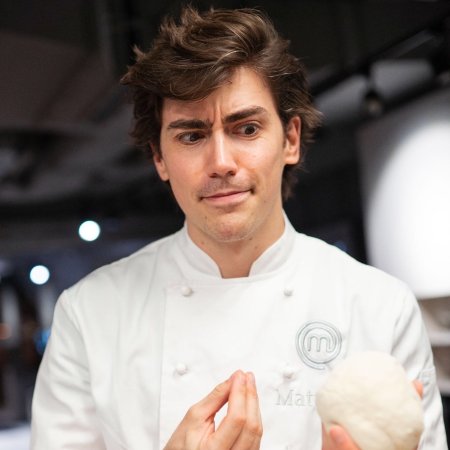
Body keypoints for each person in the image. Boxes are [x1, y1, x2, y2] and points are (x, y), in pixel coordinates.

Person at [30, 6, 447, 450]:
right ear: (159, 158)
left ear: (290, 139)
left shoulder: (381, 307)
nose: (221, 163)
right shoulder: (88, 315)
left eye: (246, 128)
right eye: (192, 136)